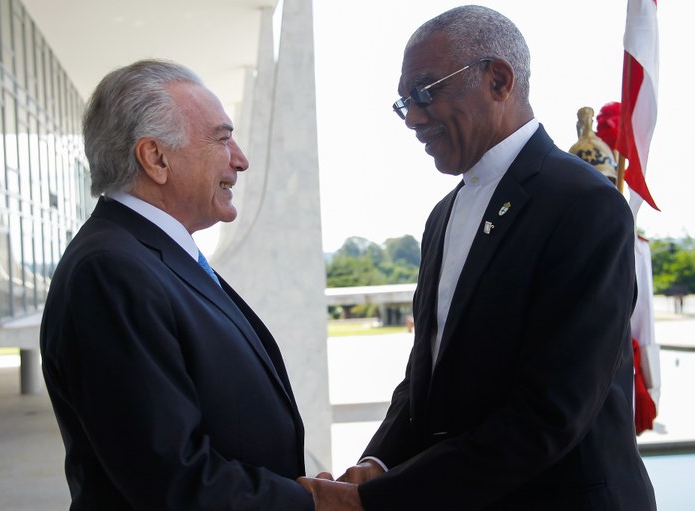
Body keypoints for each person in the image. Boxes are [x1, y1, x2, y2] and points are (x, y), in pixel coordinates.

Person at [298, 6, 656, 510]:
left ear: (498, 80)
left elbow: (551, 413)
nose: (414, 118)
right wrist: (376, 465)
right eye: (404, 103)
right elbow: (428, 373)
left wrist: (379, 500)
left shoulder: (585, 204)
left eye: (425, 91)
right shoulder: (442, 216)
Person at [40, 59, 313, 510]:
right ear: (156, 158)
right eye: (223, 139)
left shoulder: (145, 256)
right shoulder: (111, 270)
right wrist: (312, 503)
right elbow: (170, 478)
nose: (240, 160)